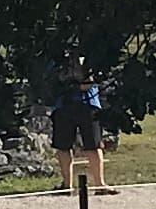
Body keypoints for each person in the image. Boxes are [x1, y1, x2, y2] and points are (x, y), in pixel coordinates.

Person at [48, 60, 113, 197]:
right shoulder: (58, 56)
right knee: (63, 145)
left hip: (88, 102)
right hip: (64, 103)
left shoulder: (90, 54)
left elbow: (91, 80)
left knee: (93, 144)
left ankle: (99, 184)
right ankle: (67, 185)